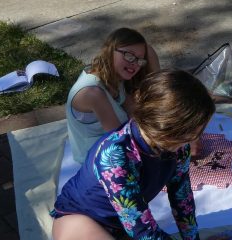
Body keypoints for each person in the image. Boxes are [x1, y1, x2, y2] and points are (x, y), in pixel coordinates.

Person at [34, 70, 232, 240]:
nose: (197, 140)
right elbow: (144, 233)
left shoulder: (176, 148)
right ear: (167, 131)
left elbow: (182, 199)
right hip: (77, 220)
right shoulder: (115, 156)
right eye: (193, 133)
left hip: (121, 228)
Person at [66, 27, 161, 164]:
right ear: (110, 51)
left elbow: (132, 109)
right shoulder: (93, 93)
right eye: (129, 55)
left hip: (115, 147)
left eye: (140, 60)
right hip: (97, 161)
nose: (134, 64)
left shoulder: (114, 78)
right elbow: (121, 140)